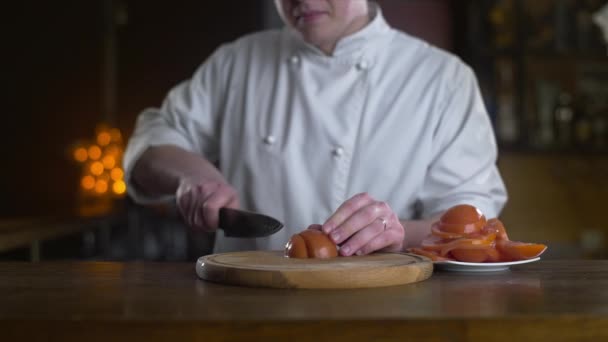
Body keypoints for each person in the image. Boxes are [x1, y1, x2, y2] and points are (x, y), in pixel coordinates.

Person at [123, 0, 508, 257]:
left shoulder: (442, 78)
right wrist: (194, 177)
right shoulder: (236, 62)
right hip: (245, 309)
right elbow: (152, 143)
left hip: (387, 311)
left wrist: (397, 234)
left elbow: (470, 222)